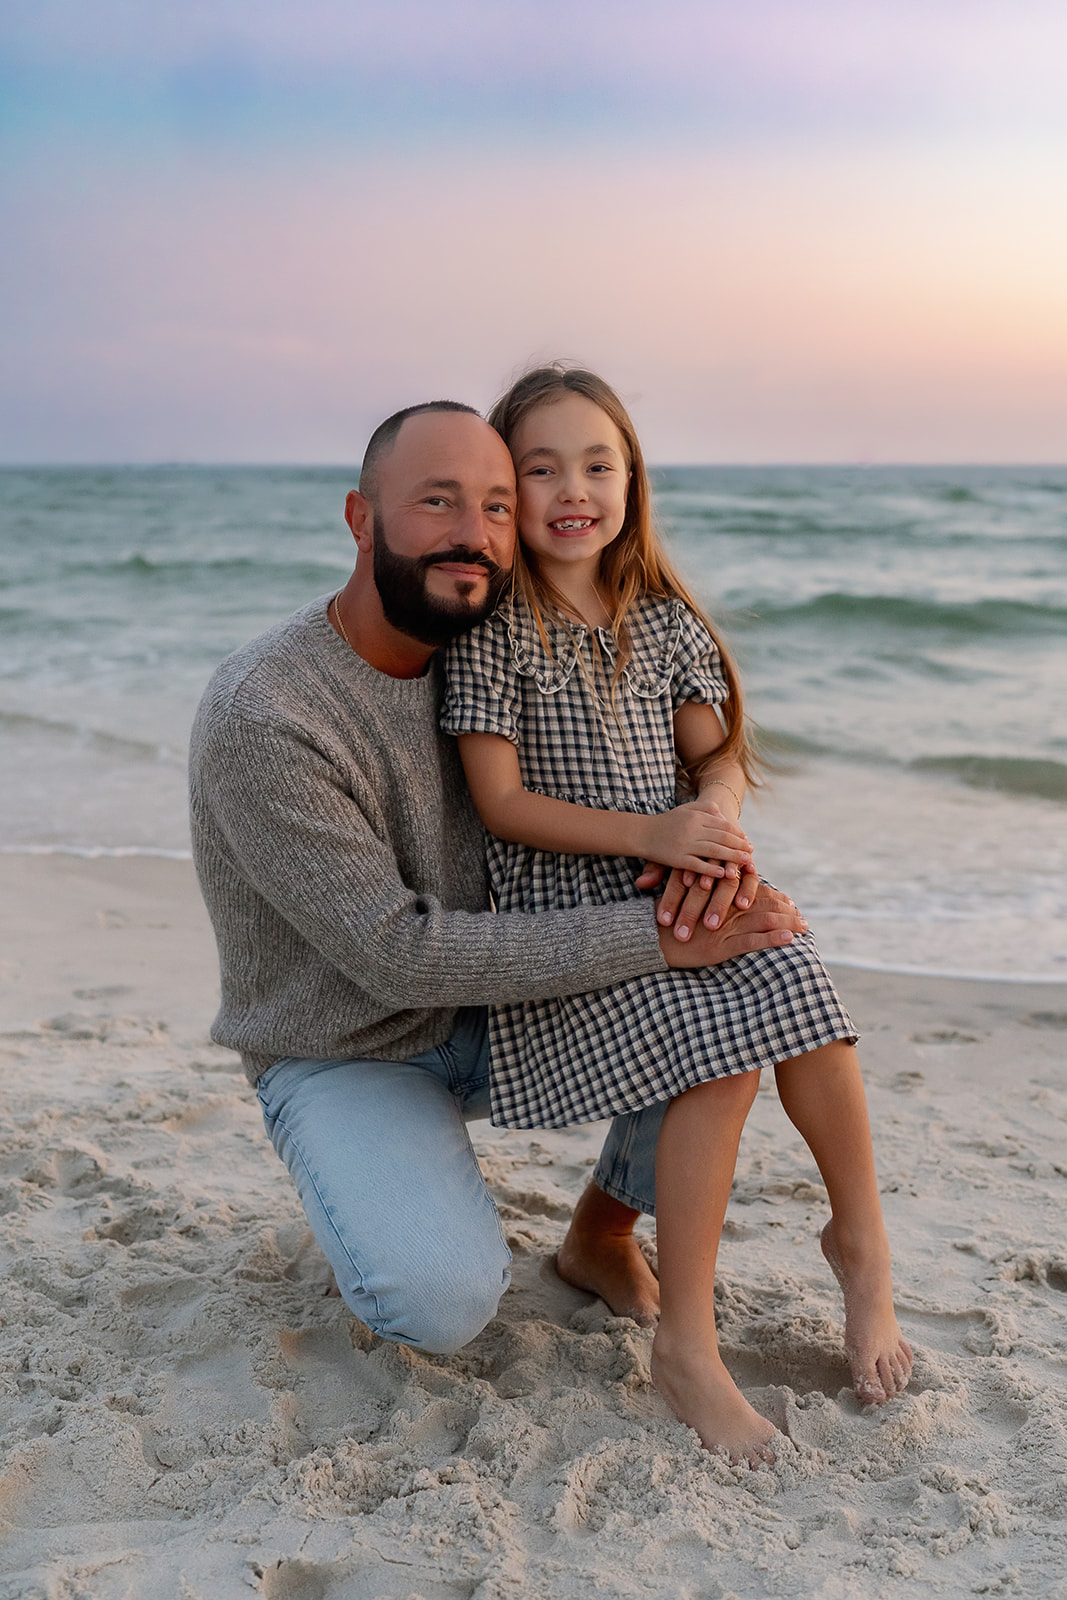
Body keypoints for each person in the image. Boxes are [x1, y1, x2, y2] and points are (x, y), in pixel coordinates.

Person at [188, 401, 808, 1377]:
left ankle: (598, 1231)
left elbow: (662, 773)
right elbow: (394, 954)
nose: (471, 535)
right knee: (438, 1301)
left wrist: (708, 874)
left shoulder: (500, 657)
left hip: (495, 1011)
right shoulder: (268, 714)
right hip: (342, 1046)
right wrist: (656, 936)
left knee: (730, 994)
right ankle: (371, 1170)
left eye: (490, 504)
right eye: (436, 502)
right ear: (359, 517)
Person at [441, 365, 913, 1463]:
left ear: (630, 480)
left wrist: (708, 819)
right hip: (568, 915)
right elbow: (499, 802)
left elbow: (717, 758)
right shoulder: (496, 630)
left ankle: (859, 1242)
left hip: (674, 881)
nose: (573, 489)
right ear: (505, 491)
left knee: (794, 978)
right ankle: (688, 1349)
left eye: (597, 465)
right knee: (720, 1052)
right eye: (540, 467)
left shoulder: (657, 619)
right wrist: (651, 837)